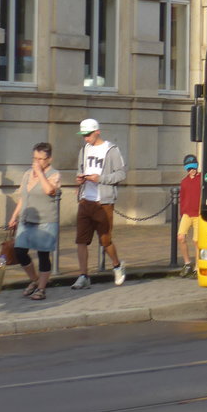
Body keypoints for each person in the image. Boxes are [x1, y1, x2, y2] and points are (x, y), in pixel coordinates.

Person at [73, 118, 126, 289]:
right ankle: (83, 275)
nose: (86, 138)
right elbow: (80, 169)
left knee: (105, 240)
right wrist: (79, 179)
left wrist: (101, 179)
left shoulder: (111, 149)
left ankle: (117, 265)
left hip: (103, 202)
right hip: (85, 199)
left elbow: (121, 174)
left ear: (97, 132)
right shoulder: (84, 149)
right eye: (83, 135)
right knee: (81, 240)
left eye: (88, 134)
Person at [7, 142, 60, 301]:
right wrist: (14, 216)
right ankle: (35, 280)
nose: (36, 162)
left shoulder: (54, 174)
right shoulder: (27, 174)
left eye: (41, 159)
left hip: (45, 220)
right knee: (20, 251)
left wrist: (40, 173)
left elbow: (49, 190)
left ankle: (41, 289)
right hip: (26, 219)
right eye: (34, 158)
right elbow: (23, 197)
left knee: (43, 254)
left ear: (49, 159)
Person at [177, 155, 200, 277]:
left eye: (194, 167)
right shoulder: (184, 182)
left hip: (198, 214)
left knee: (197, 241)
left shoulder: (202, 178)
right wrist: (182, 214)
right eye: (190, 168)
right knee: (181, 237)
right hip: (187, 214)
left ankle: (198, 266)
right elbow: (183, 198)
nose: (192, 170)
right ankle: (187, 263)